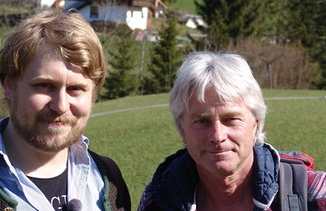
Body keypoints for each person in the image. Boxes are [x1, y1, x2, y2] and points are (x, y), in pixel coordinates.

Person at [0, 9, 131, 211]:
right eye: (44, 86)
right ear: (8, 86)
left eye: (75, 89)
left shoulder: (109, 181)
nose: (61, 105)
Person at [138, 52, 326, 211]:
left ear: (256, 124)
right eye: (202, 121)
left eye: (231, 119)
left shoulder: (311, 193)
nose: (218, 136)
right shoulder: (157, 201)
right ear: (182, 130)